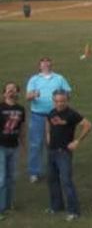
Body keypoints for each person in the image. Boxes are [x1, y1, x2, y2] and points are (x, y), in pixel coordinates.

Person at [45, 90, 92, 221]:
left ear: (66, 100)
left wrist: (77, 141)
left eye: (62, 101)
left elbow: (88, 125)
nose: (59, 104)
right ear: (53, 100)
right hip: (52, 151)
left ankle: (73, 211)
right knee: (52, 180)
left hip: (63, 152)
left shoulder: (71, 114)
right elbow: (48, 125)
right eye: (57, 101)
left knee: (66, 181)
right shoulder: (52, 112)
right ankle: (56, 206)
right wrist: (48, 138)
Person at [25, 57, 71, 182]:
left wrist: (62, 100)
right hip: (38, 116)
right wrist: (33, 95)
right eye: (43, 61)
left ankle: (58, 170)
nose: (45, 63)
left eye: (48, 61)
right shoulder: (34, 79)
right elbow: (28, 96)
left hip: (55, 115)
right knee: (36, 144)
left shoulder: (59, 78)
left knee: (57, 143)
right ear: (39, 66)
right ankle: (34, 172)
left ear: (51, 64)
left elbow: (68, 94)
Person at [0, 83, 26, 218]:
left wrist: (23, 146)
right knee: (2, 178)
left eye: (14, 89)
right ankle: (1, 208)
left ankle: (8, 203)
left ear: (17, 93)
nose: (11, 91)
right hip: (1, 147)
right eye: (8, 89)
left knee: (12, 177)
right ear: (4, 94)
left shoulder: (21, 109)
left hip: (14, 147)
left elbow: (22, 129)